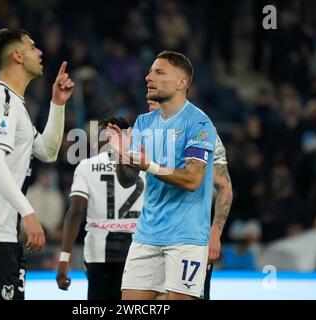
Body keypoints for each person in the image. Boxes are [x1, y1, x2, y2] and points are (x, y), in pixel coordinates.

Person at [0, 28, 74, 300]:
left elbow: (47, 151)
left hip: (0, 229)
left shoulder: (15, 105)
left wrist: (57, 104)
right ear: (18, 56)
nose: (40, 51)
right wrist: (29, 213)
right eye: (32, 47)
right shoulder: (2, 101)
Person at [107, 50, 217, 300]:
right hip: (147, 235)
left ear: (182, 82)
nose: (148, 77)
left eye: (159, 72)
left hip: (186, 238)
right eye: (149, 71)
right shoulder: (144, 122)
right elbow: (127, 181)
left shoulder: (199, 123)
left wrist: (149, 166)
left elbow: (193, 179)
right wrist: (123, 158)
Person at [147, 100, 233, 300]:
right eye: (149, 99)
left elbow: (224, 186)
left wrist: (215, 232)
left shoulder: (200, 129)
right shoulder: (144, 132)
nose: (151, 102)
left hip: (190, 237)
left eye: (156, 99)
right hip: (150, 237)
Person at [56, 116, 146, 300]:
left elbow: (76, 211)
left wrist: (65, 257)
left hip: (98, 251)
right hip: (138, 251)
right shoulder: (144, 164)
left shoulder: (86, 166)